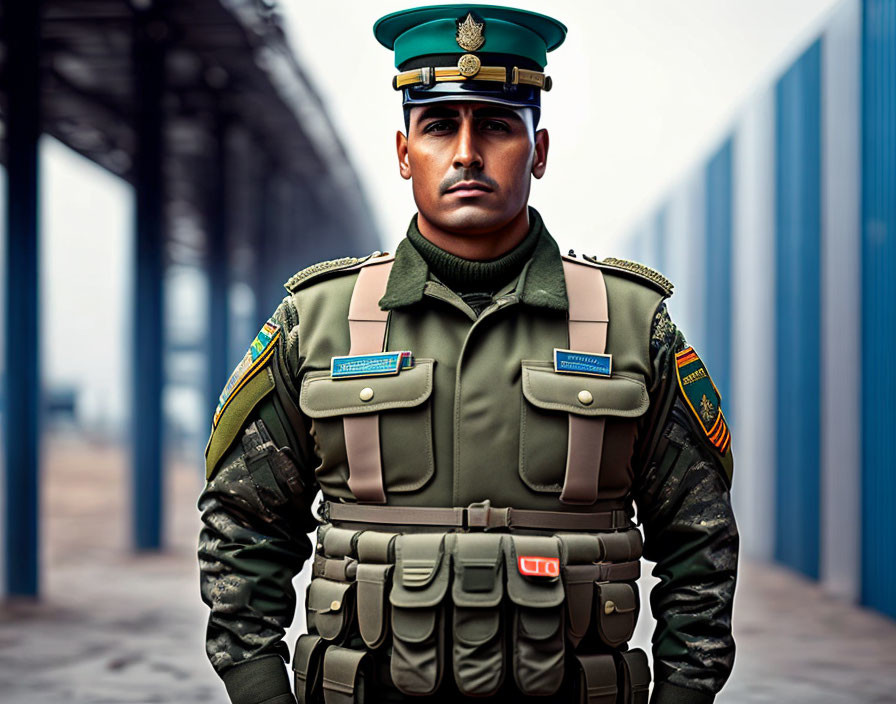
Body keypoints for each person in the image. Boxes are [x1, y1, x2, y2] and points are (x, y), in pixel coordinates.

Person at [197, 6, 738, 704]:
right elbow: (243, 524)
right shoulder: (320, 320)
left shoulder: (632, 325)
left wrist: (686, 693)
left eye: (497, 125)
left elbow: (700, 543)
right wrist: (260, 689)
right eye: (438, 126)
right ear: (403, 152)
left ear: (538, 150)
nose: (466, 153)